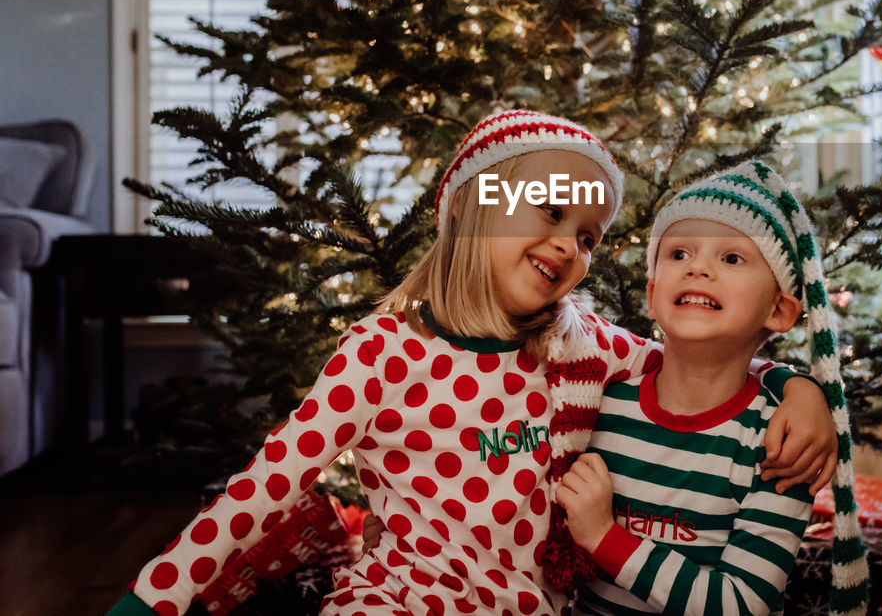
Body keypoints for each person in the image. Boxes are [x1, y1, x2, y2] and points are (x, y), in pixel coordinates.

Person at [107, 112, 838, 616]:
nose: (569, 245)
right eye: (550, 212)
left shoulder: (581, 341)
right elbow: (264, 486)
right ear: (471, 207)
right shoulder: (381, 352)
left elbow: (690, 359)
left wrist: (795, 384)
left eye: (588, 235)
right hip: (397, 598)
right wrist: (152, 597)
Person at [556, 160, 870, 616]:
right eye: (679, 254)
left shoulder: (780, 441)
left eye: (731, 257)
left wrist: (605, 538)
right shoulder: (605, 395)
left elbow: (742, 604)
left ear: (780, 311)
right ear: (652, 292)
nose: (698, 268)